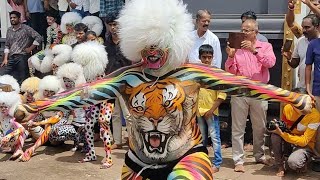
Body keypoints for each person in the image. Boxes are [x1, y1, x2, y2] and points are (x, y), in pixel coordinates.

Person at [15, 0, 313, 178]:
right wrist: (35, 107)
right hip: (136, 163)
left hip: (189, 158)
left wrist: (291, 96)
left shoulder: (192, 73)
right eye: (147, 46)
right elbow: (83, 93)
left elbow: (244, 85)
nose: (153, 53)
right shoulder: (126, 77)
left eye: (159, 45)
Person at [225, 19, 276, 172]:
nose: (244, 33)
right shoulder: (236, 49)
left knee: (259, 126)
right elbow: (229, 72)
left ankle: (259, 155)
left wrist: (254, 50)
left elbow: (271, 63)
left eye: (248, 30)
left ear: (256, 32)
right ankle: (238, 160)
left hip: (259, 90)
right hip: (240, 90)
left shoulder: (265, 46)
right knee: (238, 127)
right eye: (243, 30)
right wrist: (230, 57)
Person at [270, 88, 320, 177]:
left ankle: (302, 160)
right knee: (275, 135)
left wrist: (283, 134)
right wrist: (278, 126)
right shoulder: (287, 108)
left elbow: (304, 141)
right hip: (290, 139)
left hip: (305, 145)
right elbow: (285, 127)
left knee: (293, 163)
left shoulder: (315, 115)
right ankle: (280, 166)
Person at [104, 13, 131, 149]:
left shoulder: (127, 41)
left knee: (128, 113)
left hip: (126, 79)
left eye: (115, 24)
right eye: (111, 25)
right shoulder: (107, 42)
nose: (113, 28)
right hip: (111, 79)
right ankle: (118, 141)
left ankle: (132, 140)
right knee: (114, 113)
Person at [197, 44, 226, 173]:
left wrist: (211, 110)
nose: (207, 60)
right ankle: (203, 160)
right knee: (201, 137)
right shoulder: (196, 73)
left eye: (209, 57)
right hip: (198, 111)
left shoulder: (216, 74)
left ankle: (217, 163)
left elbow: (222, 95)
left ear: (213, 57)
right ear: (200, 57)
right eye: (204, 57)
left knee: (215, 138)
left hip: (211, 111)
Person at [1, 11, 43, 84]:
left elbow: (38, 37)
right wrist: (5, 58)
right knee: (2, 74)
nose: (12, 19)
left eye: (14, 17)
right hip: (11, 56)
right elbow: (7, 45)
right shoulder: (9, 30)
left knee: (23, 78)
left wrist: (30, 48)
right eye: (11, 18)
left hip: (22, 55)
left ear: (19, 19)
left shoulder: (26, 28)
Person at [283, 14, 319, 88]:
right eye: (303, 27)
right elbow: (295, 64)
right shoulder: (300, 41)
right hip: (303, 87)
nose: (304, 30)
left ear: (316, 27)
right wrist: (289, 58)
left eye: (307, 27)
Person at [306, 22, 320, 112]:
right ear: (318, 28)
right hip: (317, 89)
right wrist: (308, 87)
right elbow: (308, 66)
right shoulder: (313, 44)